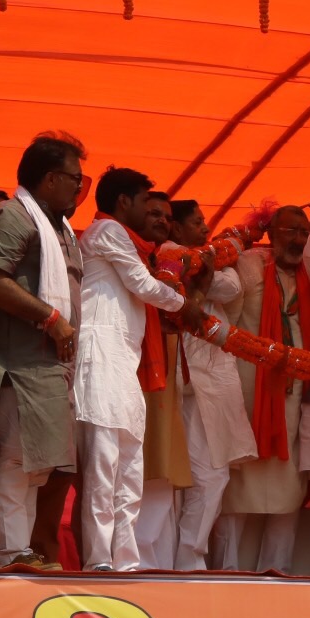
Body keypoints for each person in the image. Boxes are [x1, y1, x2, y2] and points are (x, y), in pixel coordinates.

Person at [218, 172, 310, 573]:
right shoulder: (248, 265)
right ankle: (229, 576)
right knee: (237, 494)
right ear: (269, 231)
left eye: (303, 231)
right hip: (246, 392)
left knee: (288, 494)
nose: (296, 239)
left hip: (296, 396)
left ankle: (276, 578)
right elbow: (225, 323)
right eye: (289, 230)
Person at [74, 166, 202, 572]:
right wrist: (186, 307)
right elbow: (142, 285)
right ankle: (99, 561)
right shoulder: (106, 232)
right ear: (123, 202)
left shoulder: (128, 241)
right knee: (104, 462)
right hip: (100, 356)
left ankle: (126, 561)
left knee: (130, 465)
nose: (153, 214)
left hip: (123, 362)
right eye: (146, 203)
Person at [0, 133, 83, 571]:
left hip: (51, 364)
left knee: (39, 467)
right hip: (21, 364)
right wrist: (51, 318)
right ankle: (12, 553)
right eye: (76, 179)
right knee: (18, 459)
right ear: (51, 178)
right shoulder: (16, 216)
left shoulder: (58, 223)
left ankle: (24, 552)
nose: (80, 187)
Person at [166, 198, 256, 570]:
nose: (205, 228)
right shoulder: (171, 255)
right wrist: (213, 262)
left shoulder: (200, 257)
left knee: (210, 476)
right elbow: (225, 284)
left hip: (213, 383)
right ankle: (189, 561)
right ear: (176, 228)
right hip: (192, 384)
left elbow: (232, 285)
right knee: (207, 476)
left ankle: (189, 559)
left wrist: (214, 263)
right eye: (198, 222)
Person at [135, 190, 197, 569]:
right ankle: (137, 562)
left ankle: (157, 564)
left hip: (162, 369)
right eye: (153, 213)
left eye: (165, 215)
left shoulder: (173, 259)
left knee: (161, 468)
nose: (160, 220)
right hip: (133, 369)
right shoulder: (128, 256)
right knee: (139, 467)